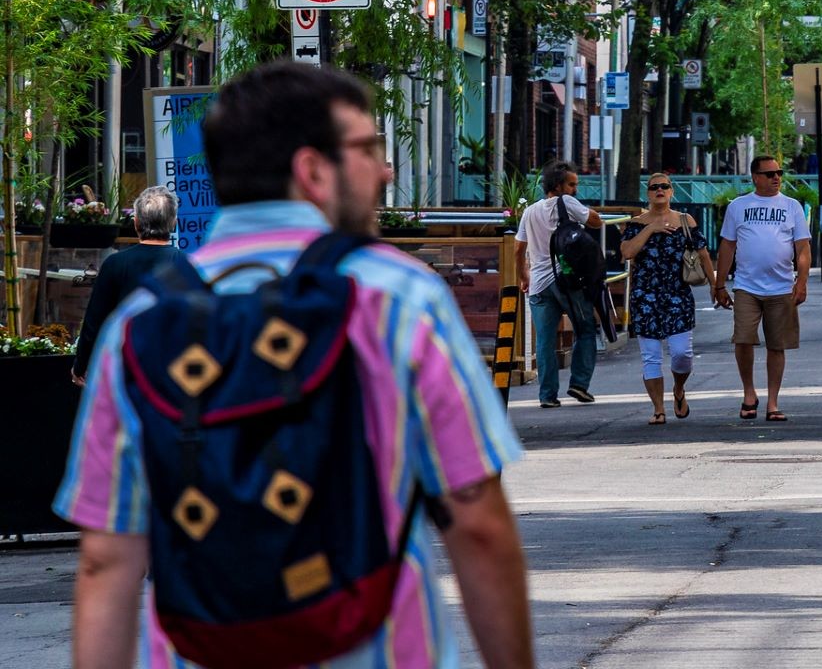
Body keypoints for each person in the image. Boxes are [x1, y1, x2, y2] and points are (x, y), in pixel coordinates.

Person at [57, 59, 532, 669]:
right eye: (367, 148)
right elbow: (476, 521)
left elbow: (106, 558)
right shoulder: (395, 298)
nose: (385, 169)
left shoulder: (140, 325)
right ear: (312, 170)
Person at [714, 155, 811, 422]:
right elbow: (727, 246)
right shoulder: (738, 206)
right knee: (743, 338)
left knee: (776, 345)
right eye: (769, 174)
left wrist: (801, 281)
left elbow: (802, 247)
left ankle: (773, 402)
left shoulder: (792, 207)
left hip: (781, 286)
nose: (776, 178)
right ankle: (748, 392)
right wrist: (719, 284)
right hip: (746, 285)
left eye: (779, 172)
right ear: (755, 177)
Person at [70, 186, 191, 385]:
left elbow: (94, 321)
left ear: (136, 223)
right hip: (173, 373)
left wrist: (81, 365)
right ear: (174, 223)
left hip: (125, 370)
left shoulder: (115, 264)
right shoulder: (187, 265)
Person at [621, 172, 715, 425]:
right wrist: (651, 228)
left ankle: (679, 389)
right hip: (645, 297)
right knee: (651, 356)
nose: (659, 190)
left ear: (672, 192)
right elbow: (627, 251)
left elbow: (703, 254)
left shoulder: (685, 221)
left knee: (682, 354)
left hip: (677, 295)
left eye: (664, 187)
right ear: (648, 193)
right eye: (654, 187)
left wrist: (716, 286)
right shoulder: (637, 223)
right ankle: (658, 409)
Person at [516, 160, 605, 408]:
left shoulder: (530, 211)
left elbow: (518, 247)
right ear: (557, 186)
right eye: (572, 184)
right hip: (568, 279)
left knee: (545, 341)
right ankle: (579, 383)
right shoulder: (566, 202)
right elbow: (595, 221)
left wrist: (523, 275)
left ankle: (547, 396)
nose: (575, 188)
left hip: (538, 284)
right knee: (585, 329)